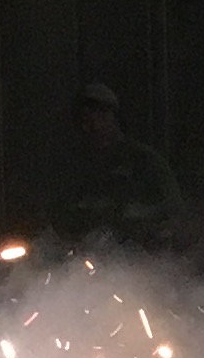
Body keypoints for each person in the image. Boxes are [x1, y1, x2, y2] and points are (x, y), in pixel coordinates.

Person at [57, 81, 187, 255]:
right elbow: (63, 214)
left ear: (113, 118)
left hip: (140, 257)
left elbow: (174, 213)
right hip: (92, 257)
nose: (91, 127)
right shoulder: (78, 167)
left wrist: (143, 225)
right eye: (84, 121)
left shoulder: (144, 161)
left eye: (98, 118)